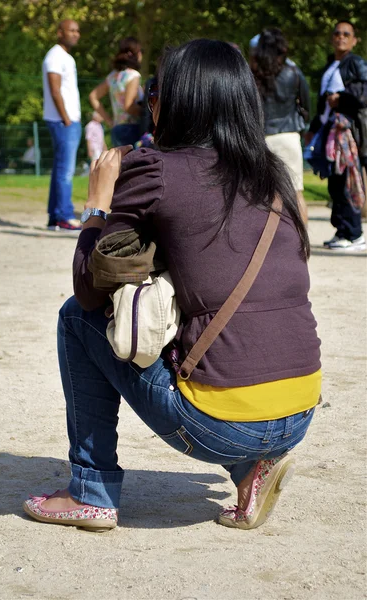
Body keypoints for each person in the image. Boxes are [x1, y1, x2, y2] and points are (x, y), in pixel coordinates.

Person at [24, 39, 321, 532]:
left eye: (157, 90)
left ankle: (91, 490)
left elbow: (88, 289)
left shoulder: (156, 169)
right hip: (299, 411)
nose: (150, 101)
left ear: (179, 100)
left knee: (75, 319)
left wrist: (98, 203)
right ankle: (252, 469)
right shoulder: (275, 176)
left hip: (220, 426)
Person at [307, 20, 367, 251]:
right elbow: (323, 104)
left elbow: (363, 96)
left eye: (346, 34)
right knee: (335, 183)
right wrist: (312, 128)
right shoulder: (330, 65)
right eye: (337, 33)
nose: (340, 37)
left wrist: (341, 98)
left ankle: (354, 234)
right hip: (329, 132)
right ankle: (342, 231)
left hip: (348, 134)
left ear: (354, 40)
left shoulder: (357, 63)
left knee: (346, 182)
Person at [251, 29, 310, 226]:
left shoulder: (254, 74)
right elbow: (306, 103)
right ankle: (303, 248)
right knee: (296, 194)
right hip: (289, 136)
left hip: (262, 138)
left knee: (260, 196)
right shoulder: (293, 72)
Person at [42, 19, 82, 231]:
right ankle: (65, 215)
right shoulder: (55, 56)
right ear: (60, 32)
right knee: (65, 171)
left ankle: (53, 217)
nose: (76, 34)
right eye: (71, 30)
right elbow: (55, 90)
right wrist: (67, 119)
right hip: (62, 121)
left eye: (77, 31)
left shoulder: (65, 56)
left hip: (67, 120)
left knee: (60, 170)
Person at [89, 37, 143, 147]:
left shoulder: (113, 76)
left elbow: (93, 96)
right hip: (132, 129)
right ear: (135, 54)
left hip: (117, 129)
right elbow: (129, 106)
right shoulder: (133, 75)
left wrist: (109, 121)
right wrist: (147, 113)